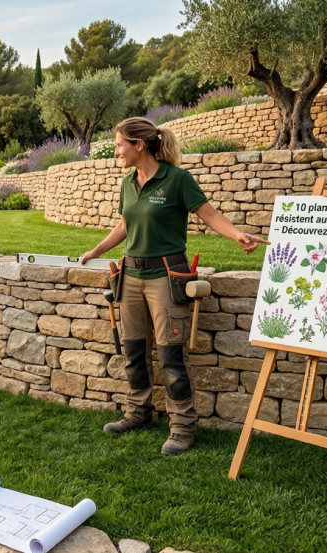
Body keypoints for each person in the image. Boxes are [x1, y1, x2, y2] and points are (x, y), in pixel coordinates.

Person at [80, 117, 268, 455]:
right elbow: (124, 225)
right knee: (133, 352)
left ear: (140, 145)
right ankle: (139, 413)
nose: (117, 151)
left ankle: (182, 426)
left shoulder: (178, 179)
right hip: (131, 276)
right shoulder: (128, 183)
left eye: (120, 144)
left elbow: (209, 215)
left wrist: (237, 234)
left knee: (170, 355)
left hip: (167, 277)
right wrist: (96, 251)